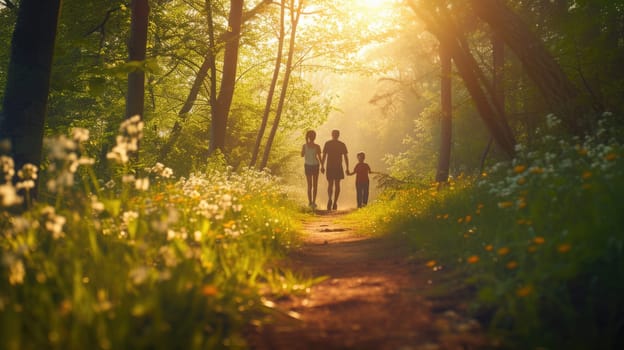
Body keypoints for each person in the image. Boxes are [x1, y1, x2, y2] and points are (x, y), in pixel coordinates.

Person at [321, 129, 349, 211]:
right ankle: (335, 202)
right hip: (338, 167)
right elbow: (346, 157)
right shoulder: (342, 144)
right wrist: (347, 168)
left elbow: (324, 156)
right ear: (338, 135)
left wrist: (322, 166)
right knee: (337, 184)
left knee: (330, 184)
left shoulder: (328, 143)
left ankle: (330, 198)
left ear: (332, 135)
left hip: (330, 166)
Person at [301, 130, 323, 208]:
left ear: (308, 137)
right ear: (314, 137)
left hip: (308, 166)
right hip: (315, 166)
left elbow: (302, 155)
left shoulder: (304, 146)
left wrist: (306, 143)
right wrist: (322, 166)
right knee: (314, 185)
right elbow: (320, 158)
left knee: (310, 185)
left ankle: (310, 202)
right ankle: (313, 202)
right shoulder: (317, 146)